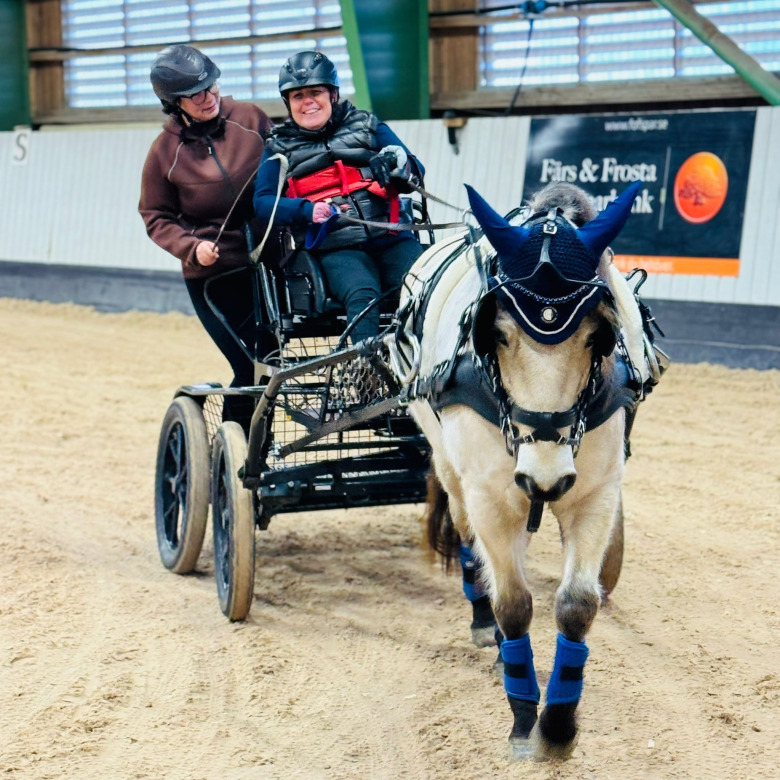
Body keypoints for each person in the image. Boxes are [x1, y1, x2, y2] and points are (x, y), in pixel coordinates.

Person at [139, 44, 278, 431]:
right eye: (195, 94)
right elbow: (155, 215)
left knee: (272, 363)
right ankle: (237, 446)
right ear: (173, 103)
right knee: (249, 366)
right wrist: (192, 247)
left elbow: (286, 165)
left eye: (211, 86)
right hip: (215, 275)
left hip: (269, 262)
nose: (208, 97)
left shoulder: (251, 118)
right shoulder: (164, 153)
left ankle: (258, 444)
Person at [252, 50, 425, 344]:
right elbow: (263, 203)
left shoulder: (369, 125)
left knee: (423, 286)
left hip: (392, 236)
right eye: (297, 96)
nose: (307, 102)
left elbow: (415, 171)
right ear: (288, 102)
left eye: (315, 92)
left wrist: (396, 163)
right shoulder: (277, 148)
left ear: (332, 94)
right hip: (336, 247)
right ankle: (366, 369)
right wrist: (306, 210)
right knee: (363, 294)